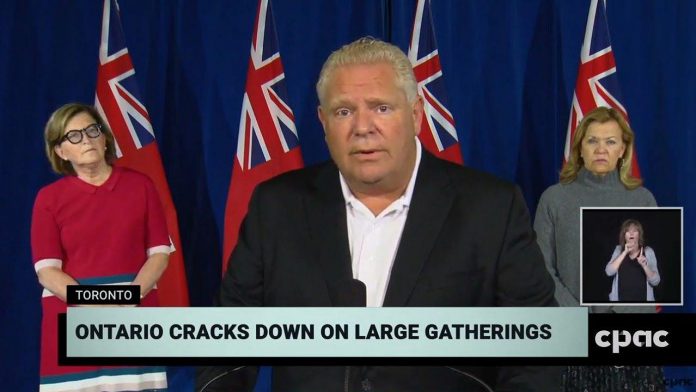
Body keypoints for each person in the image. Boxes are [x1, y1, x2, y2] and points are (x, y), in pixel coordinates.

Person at [198, 37, 559, 391]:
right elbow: (229, 343)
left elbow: (535, 351)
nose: (363, 127)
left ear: (416, 114)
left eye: (381, 108)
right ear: (323, 122)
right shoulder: (277, 206)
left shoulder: (491, 208)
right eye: (344, 111)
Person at [31, 103, 170, 391]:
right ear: (60, 152)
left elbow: (159, 254)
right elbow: (47, 273)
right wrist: (102, 303)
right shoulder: (49, 199)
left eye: (92, 130)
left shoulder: (141, 186)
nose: (87, 140)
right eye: (74, 136)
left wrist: (126, 299)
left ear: (104, 137)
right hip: (74, 319)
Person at [534, 106, 663, 391]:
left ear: (623, 150)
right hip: (571, 338)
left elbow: (653, 275)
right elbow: (541, 269)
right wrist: (577, 316)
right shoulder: (554, 199)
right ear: (579, 148)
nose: (601, 149)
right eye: (592, 141)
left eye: (610, 141)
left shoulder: (643, 200)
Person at [605, 219, 660, 302]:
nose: (631, 233)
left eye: (634, 231)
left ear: (639, 234)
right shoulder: (618, 250)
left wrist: (644, 266)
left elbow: (656, 282)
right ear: (624, 235)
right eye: (627, 231)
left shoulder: (648, 251)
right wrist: (624, 252)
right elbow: (609, 272)